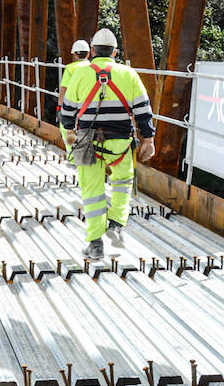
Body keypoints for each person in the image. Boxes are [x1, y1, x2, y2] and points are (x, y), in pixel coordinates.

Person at [58, 27, 155, 260]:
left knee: (92, 192)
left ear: (92, 51)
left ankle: (95, 244)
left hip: (87, 141)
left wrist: (70, 131)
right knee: (123, 182)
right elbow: (143, 110)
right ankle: (116, 224)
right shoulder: (128, 74)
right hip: (120, 142)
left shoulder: (80, 73)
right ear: (115, 52)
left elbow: (68, 110)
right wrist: (147, 139)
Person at [56, 39, 90, 117]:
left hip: (73, 105)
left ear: (75, 55)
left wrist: (59, 108)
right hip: (89, 105)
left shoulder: (70, 68)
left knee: (67, 127)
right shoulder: (93, 68)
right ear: (88, 54)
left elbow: (63, 90)